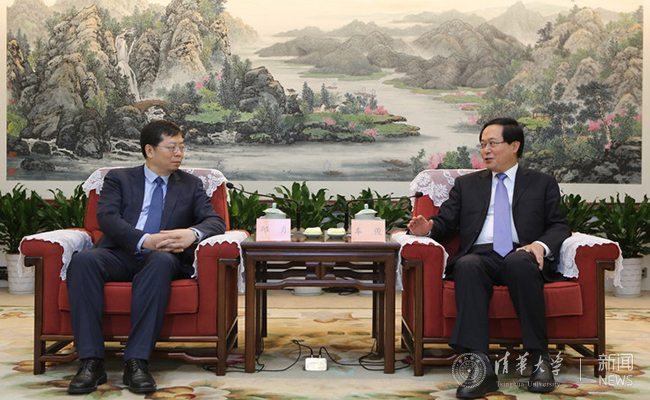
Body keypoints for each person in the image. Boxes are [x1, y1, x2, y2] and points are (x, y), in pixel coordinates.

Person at [408, 117, 570, 399]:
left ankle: (540, 359)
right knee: (467, 265)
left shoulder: (542, 183)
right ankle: (480, 367)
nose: (486, 150)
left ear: (515, 146)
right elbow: (446, 221)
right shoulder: (467, 184)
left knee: (520, 262)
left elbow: (559, 225)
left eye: (493, 143)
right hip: (481, 254)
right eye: (482, 144)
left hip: (521, 251)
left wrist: (540, 246)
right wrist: (428, 228)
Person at [66, 120, 226, 394]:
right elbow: (107, 217)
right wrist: (143, 240)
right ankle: (90, 362)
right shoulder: (119, 179)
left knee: (161, 261)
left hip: (162, 258)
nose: (179, 153)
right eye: (171, 147)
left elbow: (215, 221)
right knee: (83, 261)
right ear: (149, 150)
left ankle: (137, 362)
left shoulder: (190, 184)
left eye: (182, 147)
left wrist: (192, 233)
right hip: (120, 253)